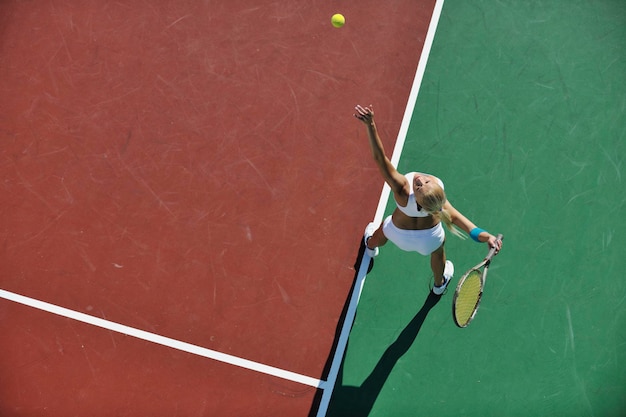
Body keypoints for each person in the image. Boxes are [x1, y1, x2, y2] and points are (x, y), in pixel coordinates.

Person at [354, 104, 502, 295]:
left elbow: (379, 158)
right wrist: (488, 237)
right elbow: (467, 227)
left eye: (421, 185)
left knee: (382, 230)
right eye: (423, 183)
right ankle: (439, 284)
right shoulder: (437, 203)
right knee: (439, 252)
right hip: (429, 241)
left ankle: (370, 247)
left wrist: (371, 124)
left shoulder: (402, 189)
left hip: (397, 233)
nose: (420, 180)